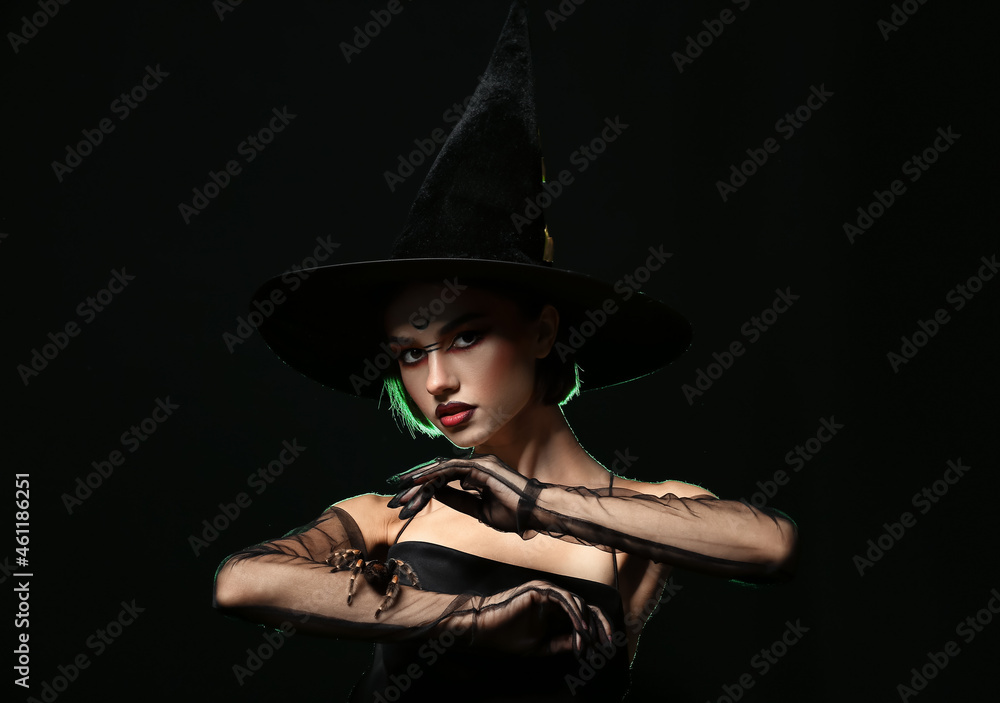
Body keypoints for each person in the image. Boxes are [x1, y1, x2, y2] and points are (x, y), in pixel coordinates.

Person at [213, 3, 797, 701]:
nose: (436, 380)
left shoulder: (643, 517)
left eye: (465, 336)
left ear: (544, 332)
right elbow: (241, 581)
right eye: (408, 352)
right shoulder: (395, 514)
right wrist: (473, 617)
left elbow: (771, 546)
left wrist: (535, 502)